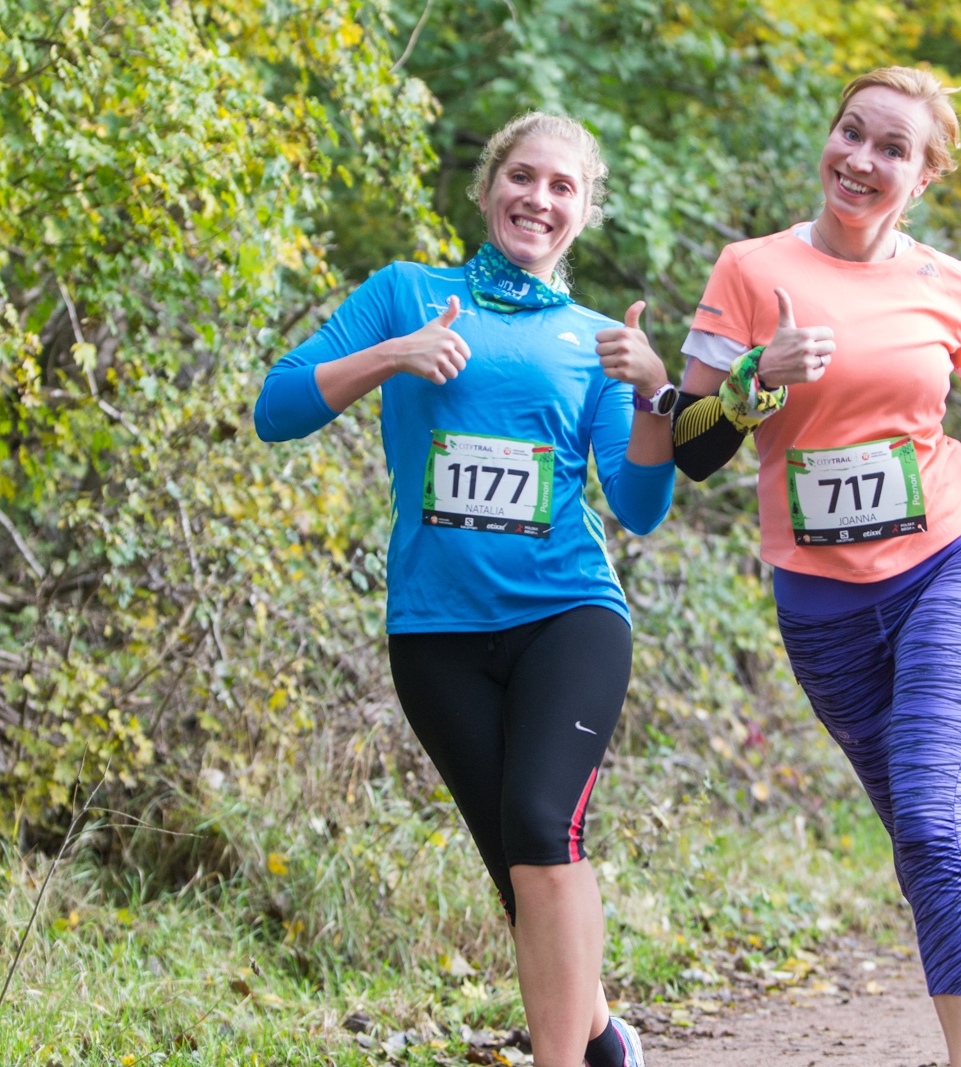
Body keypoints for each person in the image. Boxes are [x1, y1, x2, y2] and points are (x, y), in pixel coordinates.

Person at [254, 112, 676, 1067]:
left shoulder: (599, 338)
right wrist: (391, 358)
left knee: (538, 820)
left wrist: (654, 393)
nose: (539, 197)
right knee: (516, 863)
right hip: (435, 629)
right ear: (487, 191)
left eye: (563, 186)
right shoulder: (408, 293)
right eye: (522, 178)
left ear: (585, 211)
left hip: (568, 614)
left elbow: (640, 504)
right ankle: (601, 1036)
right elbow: (275, 406)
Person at [673, 66, 961, 1067]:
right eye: (853, 133)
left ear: (922, 177)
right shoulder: (748, 270)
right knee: (918, 840)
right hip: (819, 601)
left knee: (933, 819)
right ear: (829, 137)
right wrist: (758, 381)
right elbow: (690, 445)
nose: (862, 159)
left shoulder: (950, 285)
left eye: (893, 149)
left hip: (945, 566)